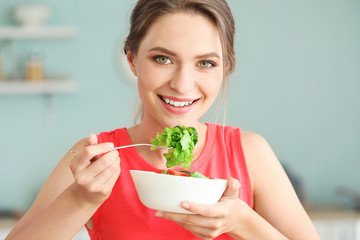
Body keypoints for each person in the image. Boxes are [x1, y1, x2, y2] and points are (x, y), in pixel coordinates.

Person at [6, 0, 321, 239]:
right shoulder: (96, 157)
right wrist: (81, 198)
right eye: (163, 59)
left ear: (226, 67)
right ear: (132, 60)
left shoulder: (251, 152)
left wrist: (243, 222)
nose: (183, 84)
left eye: (206, 63)